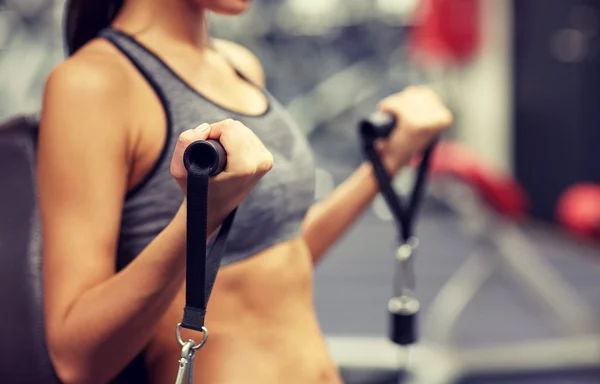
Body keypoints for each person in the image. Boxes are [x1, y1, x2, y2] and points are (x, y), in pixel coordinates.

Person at [39, 0, 452, 383]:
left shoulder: (238, 65)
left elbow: (280, 254)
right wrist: (201, 218)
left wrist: (386, 164)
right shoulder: (92, 83)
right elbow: (78, 360)